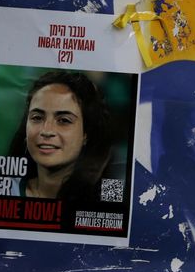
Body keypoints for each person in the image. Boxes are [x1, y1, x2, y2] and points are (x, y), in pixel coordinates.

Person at [8, 70, 115, 201]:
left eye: (64, 120)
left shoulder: (111, 193)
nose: (46, 131)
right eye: (37, 117)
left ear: (86, 133)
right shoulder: (2, 187)